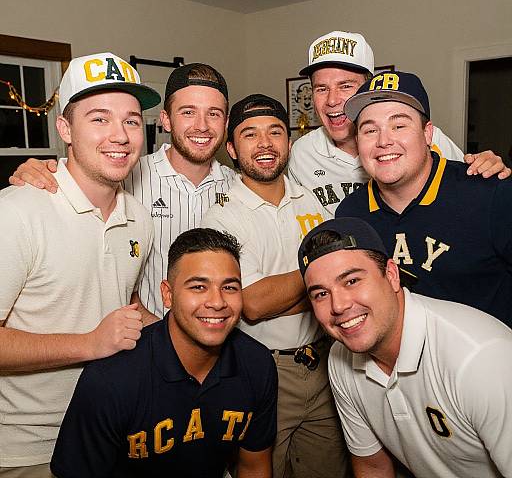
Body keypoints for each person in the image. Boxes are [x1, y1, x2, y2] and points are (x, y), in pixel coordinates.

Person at [0, 52, 159, 475]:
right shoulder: (18, 213)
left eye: (130, 120)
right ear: (65, 128)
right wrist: (90, 343)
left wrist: (183, 331)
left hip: (115, 433)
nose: (120, 135)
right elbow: (102, 334)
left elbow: (121, 302)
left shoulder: (139, 218)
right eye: (99, 119)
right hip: (32, 449)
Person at [9, 63, 236, 317]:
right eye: (188, 112)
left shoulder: (238, 187)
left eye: (214, 114)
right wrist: (42, 171)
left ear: (225, 123)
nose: (202, 126)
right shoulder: (124, 174)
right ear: (166, 120)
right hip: (145, 343)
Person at [50, 228, 277, 478]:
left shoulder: (257, 364)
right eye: (199, 287)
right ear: (168, 294)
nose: (217, 302)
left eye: (230, 287)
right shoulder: (110, 380)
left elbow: (254, 466)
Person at [202, 94, 349, 478]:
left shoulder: (314, 203)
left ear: (288, 141)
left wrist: (286, 292)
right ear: (231, 148)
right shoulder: (222, 217)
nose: (265, 144)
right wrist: (323, 272)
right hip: (264, 369)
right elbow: (251, 304)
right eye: (250, 134)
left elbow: (273, 298)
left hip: (326, 362)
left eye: (275, 132)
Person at [297, 216, 512, 478]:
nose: (338, 305)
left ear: (391, 275)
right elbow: (373, 466)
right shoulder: (340, 359)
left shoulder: (481, 358)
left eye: (352, 281)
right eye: (320, 294)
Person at [335, 71, 512, 326]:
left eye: (399, 125)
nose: (384, 141)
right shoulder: (351, 215)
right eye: (370, 130)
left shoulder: (489, 193)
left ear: (428, 133)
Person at [288, 30, 511, 215]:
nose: (332, 100)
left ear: (368, 88)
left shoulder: (420, 139)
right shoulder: (302, 154)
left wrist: (487, 169)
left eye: (345, 86)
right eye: (321, 88)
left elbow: (468, 187)